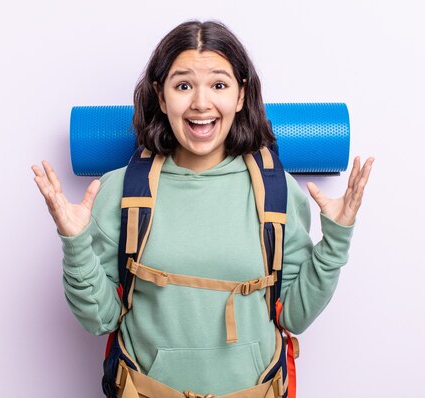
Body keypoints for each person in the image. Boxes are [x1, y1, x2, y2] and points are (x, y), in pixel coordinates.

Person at [32, 20, 374, 397]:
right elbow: (99, 319)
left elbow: (295, 314)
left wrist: (335, 241)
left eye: (219, 85)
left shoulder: (277, 191)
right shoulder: (120, 191)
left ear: (241, 96)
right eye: (183, 85)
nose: (200, 103)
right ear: (161, 97)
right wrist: (76, 241)